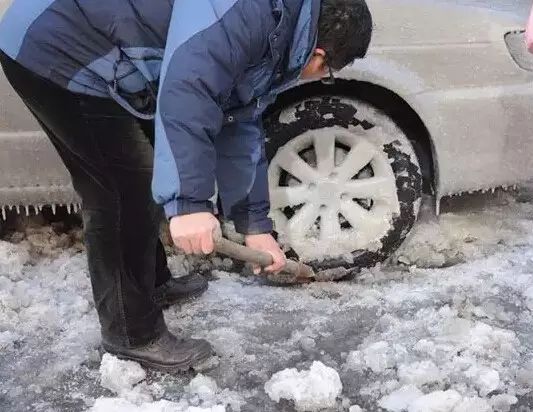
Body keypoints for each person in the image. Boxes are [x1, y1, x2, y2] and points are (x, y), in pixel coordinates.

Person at [0, 0, 373, 372]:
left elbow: (237, 121)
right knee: (121, 192)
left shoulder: (277, 28)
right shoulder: (249, 13)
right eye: (326, 73)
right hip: (56, 43)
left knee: (145, 171)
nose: (317, 78)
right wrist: (189, 203)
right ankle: (131, 334)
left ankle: (151, 283)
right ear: (318, 54)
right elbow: (189, 88)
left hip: (102, 46)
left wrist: (255, 226)